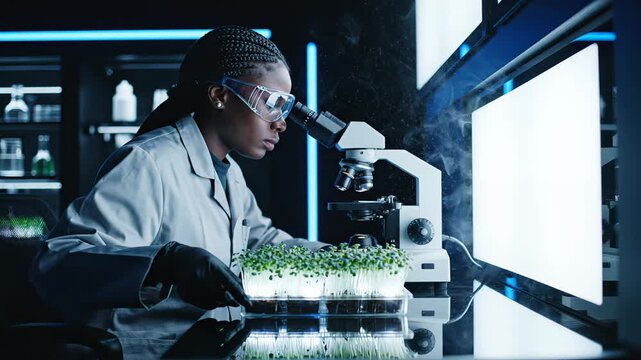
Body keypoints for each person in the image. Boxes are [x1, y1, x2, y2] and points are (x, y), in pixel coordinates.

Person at [31, 26, 328, 332]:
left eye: (285, 107)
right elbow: (58, 264)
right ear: (220, 96)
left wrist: (328, 255)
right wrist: (165, 264)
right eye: (271, 103)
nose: (281, 123)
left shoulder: (230, 173)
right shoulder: (149, 162)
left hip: (208, 346)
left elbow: (258, 242)